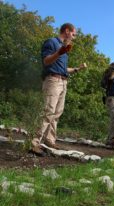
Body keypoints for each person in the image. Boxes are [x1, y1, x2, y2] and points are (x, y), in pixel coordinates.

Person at [31, 23, 87, 154]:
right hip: (53, 80)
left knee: (56, 113)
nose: (74, 36)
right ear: (67, 31)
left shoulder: (65, 49)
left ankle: (49, 140)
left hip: (62, 81)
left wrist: (77, 69)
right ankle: (34, 142)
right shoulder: (52, 42)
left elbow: (62, 69)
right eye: (74, 34)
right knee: (48, 111)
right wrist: (59, 51)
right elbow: (46, 61)